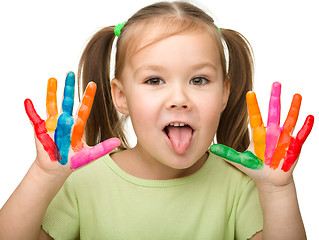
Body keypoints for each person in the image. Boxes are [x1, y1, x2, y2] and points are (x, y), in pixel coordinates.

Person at [0, 1, 311, 239]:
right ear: (121, 96)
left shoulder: (242, 188)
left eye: (199, 80)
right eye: (154, 80)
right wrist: (43, 175)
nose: (179, 98)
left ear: (225, 93)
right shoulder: (83, 183)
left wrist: (277, 191)